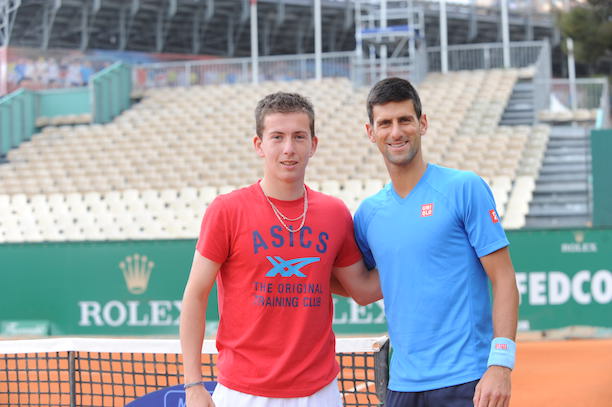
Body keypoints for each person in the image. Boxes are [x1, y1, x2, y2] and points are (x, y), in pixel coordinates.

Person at [180, 92, 381, 407]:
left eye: (299, 137)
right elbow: (195, 295)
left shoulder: (334, 213)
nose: (289, 148)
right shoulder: (227, 210)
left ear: (313, 145)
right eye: (277, 137)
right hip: (244, 393)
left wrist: (421, 255)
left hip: (319, 393)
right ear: (259, 145)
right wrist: (193, 385)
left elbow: (363, 290)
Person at [354, 77, 519, 407]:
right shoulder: (368, 214)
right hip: (401, 385)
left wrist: (501, 364)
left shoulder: (464, 188)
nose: (396, 132)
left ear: (423, 123)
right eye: (385, 123)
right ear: (371, 132)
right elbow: (363, 288)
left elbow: (504, 279)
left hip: (466, 381)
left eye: (405, 120)